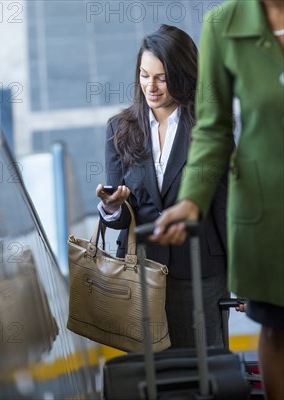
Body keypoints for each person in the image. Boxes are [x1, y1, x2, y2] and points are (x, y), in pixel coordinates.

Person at [150, 1, 284, 398]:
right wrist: (192, 199)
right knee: (278, 332)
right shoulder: (223, 25)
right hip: (268, 215)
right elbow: (212, 129)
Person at [95, 24, 231, 349]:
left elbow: (226, 205)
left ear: (183, 75)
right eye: (144, 75)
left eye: (161, 77)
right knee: (152, 373)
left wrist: (241, 276)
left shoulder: (208, 128)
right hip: (140, 271)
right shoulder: (120, 129)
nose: (150, 87)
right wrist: (112, 206)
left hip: (200, 271)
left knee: (206, 368)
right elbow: (121, 214)